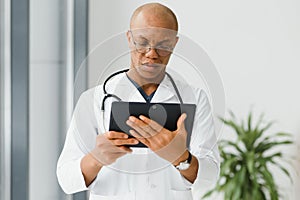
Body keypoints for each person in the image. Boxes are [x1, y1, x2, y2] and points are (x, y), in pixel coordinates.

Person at [57, 3, 219, 200]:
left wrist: (181, 158)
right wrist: (96, 158)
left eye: (163, 45)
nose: (152, 53)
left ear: (174, 44)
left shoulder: (195, 98)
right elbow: (66, 179)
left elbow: (210, 177)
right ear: (129, 38)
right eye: (142, 42)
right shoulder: (93, 100)